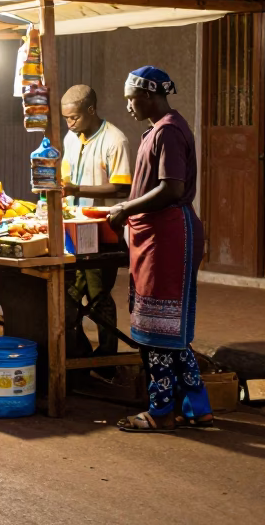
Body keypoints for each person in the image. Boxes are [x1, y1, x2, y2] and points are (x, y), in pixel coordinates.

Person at [108, 66, 212, 433]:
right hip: (156, 235)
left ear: (148, 95)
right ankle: (197, 407)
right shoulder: (157, 129)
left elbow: (171, 187)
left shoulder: (168, 130)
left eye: (131, 98)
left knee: (158, 328)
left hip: (168, 237)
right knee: (169, 330)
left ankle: (161, 410)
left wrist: (125, 208)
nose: (129, 106)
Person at [59, 84, 132, 371]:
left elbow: (122, 187)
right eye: (66, 118)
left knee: (98, 294)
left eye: (74, 117)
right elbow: (65, 177)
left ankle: (107, 359)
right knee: (70, 293)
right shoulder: (70, 137)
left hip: (103, 231)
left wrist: (77, 188)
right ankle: (79, 353)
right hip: (73, 228)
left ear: (91, 110)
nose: (70, 123)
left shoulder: (116, 140)